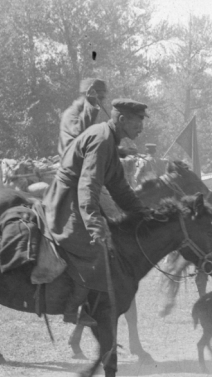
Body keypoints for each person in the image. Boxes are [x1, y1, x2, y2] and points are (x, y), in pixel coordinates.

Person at [43, 99, 152, 326]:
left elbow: (120, 188)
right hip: (66, 198)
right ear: (122, 119)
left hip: (78, 196)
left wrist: (143, 213)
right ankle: (73, 308)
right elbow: (88, 187)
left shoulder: (111, 141)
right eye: (138, 122)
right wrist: (94, 227)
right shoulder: (102, 140)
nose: (141, 128)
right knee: (95, 247)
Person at [58, 78, 108, 156]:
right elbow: (81, 134)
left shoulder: (88, 114)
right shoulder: (71, 114)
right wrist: (91, 105)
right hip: (72, 163)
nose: (102, 102)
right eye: (100, 98)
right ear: (88, 94)